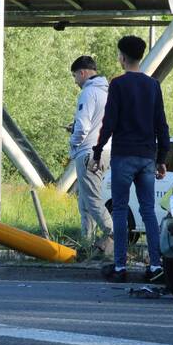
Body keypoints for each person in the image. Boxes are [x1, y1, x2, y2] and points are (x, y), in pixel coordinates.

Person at [90, 36, 169, 282]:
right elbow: (161, 124)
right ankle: (156, 266)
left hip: (123, 155)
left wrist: (97, 150)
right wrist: (162, 158)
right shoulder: (153, 85)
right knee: (147, 211)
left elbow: (109, 121)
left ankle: (120, 267)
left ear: (123, 56)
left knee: (121, 210)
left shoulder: (118, 84)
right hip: (147, 157)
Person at [68, 56, 113, 255]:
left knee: (92, 201)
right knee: (85, 201)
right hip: (106, 151)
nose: (76, 81)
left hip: (88, 152)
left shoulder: (88, 93)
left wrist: (73, 142)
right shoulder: (108, 93)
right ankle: (87, 244)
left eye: (75, 76)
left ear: (83, 72)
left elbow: (84, 127)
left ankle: (115, 235)